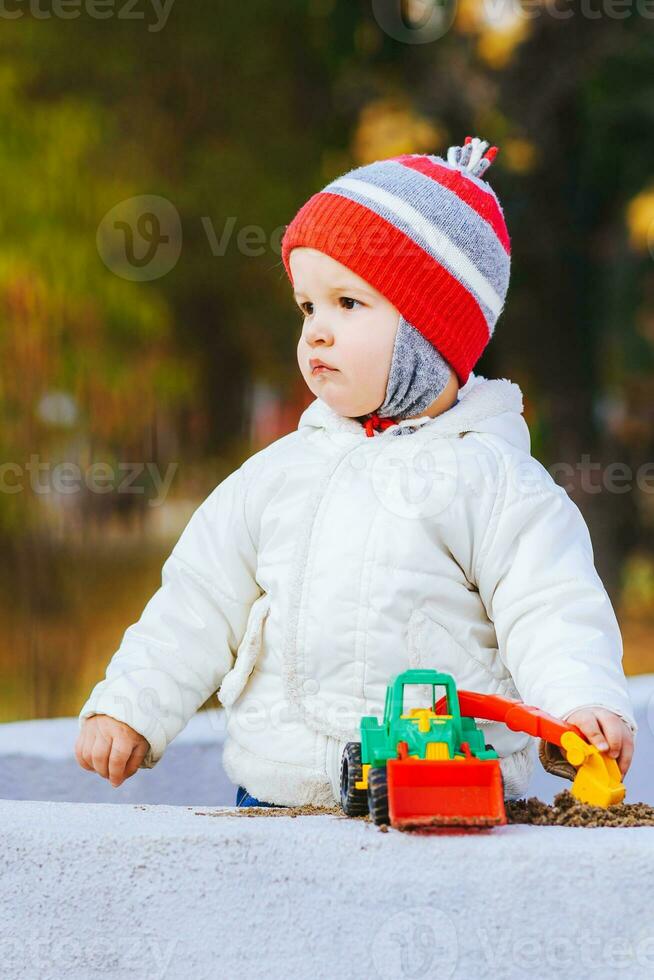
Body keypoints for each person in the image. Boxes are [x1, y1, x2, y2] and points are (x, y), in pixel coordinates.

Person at [75, 137, 636, 807]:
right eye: (308, 307)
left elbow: (551, 605)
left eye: (349, 304)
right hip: (277, 797)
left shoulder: (495, 484)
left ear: (435, 333)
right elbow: (198, 599)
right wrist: (131, 705)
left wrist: (579, 703)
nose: (316, 331)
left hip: (449, 800)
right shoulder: (276, 477)